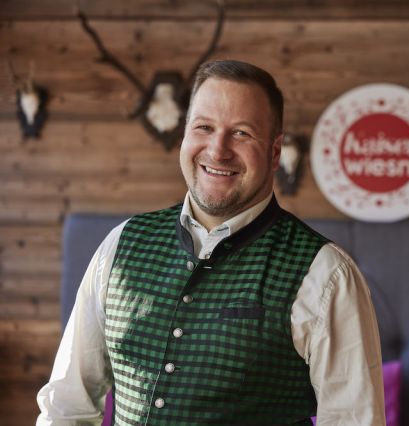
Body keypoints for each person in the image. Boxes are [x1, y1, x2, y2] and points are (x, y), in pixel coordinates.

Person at [36, 59, 385, 425]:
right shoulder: (121, 246)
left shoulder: (326, 273)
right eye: (204, 127)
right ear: (185, 135)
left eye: (241, 133)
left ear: (275, 150)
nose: (218, 151)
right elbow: (67, 405)